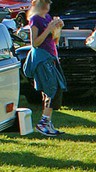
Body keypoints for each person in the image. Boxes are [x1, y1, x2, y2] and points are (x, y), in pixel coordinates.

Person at [26, 0, 65, 136]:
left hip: (51, 56)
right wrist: (48, 28)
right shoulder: (35, 20)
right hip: (42, 59)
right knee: (52, 88)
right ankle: (43, 122)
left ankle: (47, 121)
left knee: (54, 88)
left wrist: (57, 27)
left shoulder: (47, 18)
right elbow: (35, 43)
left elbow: (54, 39)